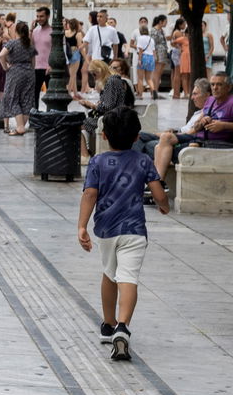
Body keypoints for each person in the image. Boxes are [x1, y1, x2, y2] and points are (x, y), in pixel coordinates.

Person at [79, 110, 168, 361]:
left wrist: (81, 226)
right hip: (135, 230)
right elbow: (158, 193)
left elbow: (89, 195)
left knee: (109, 274)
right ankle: (122, 327)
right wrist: (165, 206)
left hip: (106, 230)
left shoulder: (97, 162)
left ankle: (108, 326)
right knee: (128, 276)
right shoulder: (142, 161)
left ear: (104, 135)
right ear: (137, 136)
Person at [150, 73, 233, 179]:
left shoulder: (231, 103)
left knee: (157, 147)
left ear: (229, 87)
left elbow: (223, 126)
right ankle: (158, 182)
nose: (215, 88)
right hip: (198, 137)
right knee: (165, 137)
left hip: (217, 143)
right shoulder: (210, 100)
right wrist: (202, 121)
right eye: (212, 85)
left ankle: (159, 181)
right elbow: (196, 127)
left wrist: (224, 125)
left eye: (219, 85)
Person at [75, 58, 134, 158]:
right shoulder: (115, 80)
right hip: (115, 116)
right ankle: (86, 152)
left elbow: (108, 106)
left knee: (76, 125)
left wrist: (92, 105)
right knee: (81, 122)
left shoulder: (111, 81)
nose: (94, 78)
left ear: (100, 70)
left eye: (94, 74)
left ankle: (84, 156)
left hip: (111, 119)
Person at [0, 21, 38, 136]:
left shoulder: (12, 43)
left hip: (15, 72)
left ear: (16, 31)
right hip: (29, 73)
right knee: (27, 99)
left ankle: (20, 127)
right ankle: (21, 127)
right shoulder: (30, 45)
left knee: (12, 97)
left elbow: (1, 55)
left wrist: (5, 67)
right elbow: (33, 63)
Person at [30, 6, 53, 99]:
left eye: (41, 16)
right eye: (37, 16)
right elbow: (29, 47)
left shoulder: (53, 31)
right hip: (36, 67)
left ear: (48, 16)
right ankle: (35, 113)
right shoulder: (34, 31)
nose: (39, 19)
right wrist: (31, 29)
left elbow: (56, 49)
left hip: (49, 68)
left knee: (51, 97)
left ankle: (50, 113)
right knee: (34, 95)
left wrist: (51, 65)